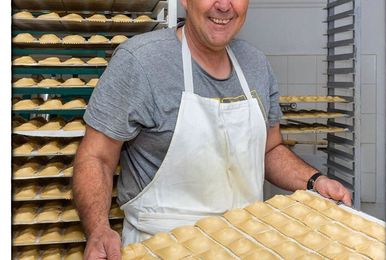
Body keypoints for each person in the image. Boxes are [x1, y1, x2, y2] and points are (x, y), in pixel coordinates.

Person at [72, 0, 352, 258]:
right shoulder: (141, 61)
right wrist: (98, 230)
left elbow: (270, 149)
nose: (223, 5)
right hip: (161, 246)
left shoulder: (255, 64)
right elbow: (97, 157)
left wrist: (315, 181)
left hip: (247, 243)